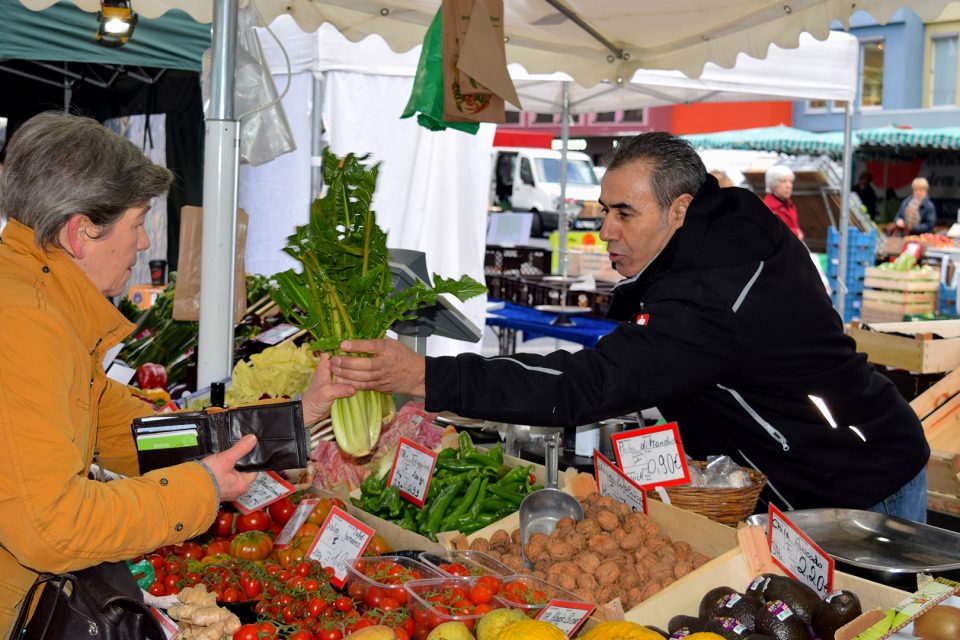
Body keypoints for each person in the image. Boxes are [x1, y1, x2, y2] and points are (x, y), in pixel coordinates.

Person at [328, 132, 930, 523]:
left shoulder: (715, 295)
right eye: (602, 211)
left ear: (681, 209)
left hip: (856, 481)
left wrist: (424, 373)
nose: (605, 230)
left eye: (623, 213)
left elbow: (582, 386)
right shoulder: (717, 243)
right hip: (795, 471)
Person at [0, 112, 348, 632]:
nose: (143, 244)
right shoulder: (26, 326)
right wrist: (201, 490)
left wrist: (296, 418)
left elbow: (144, 436)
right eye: (137, 223)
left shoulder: (45, 308)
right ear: (80, 233)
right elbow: (52, 527)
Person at [762, 165, 804, 241]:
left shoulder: (790, 205)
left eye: (790, 181)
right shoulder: (765, 208)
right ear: (772, 184)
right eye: (783, 181)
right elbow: (771, 235)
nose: (789, 186)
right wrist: (796, 233)